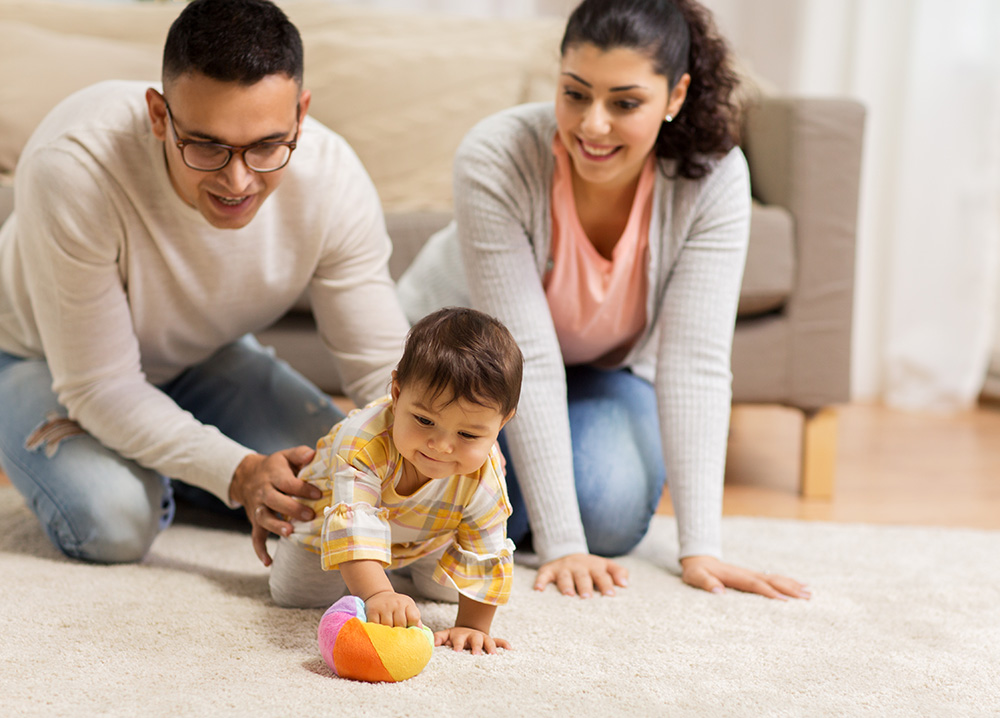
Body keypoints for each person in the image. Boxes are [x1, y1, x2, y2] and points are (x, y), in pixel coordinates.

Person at [397, 0, 810, 601]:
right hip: (462, 382)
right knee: (420, 471)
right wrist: (563, 543)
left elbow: (694, 361)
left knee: (610, 510)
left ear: (675, 96)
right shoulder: (496, 155)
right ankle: (455, 512)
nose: (592, 125)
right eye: (575, 93)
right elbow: (528, 354)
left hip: (604, 373)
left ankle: (469, 518)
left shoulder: (715, 177)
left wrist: (703, 550)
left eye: (625, 102)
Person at [0, 0, 410, 567]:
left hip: (202, 361)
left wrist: (427, 448)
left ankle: (169, 459)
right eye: (207, 146)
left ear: (301, 114)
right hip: (38, 359)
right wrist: (238, 473)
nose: (237, 180)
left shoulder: (333, 180)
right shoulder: (73, 165)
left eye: (267, 145)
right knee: (113, 519)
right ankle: (164, 475)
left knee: (343, 483)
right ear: (159, 115)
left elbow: (377, 366)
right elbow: (99, 385)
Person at [269, 307, 522, 655]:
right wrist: (378, 593)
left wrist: (472, 626)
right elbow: (352, 527)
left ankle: (395, 566)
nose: (442, 446)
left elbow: (486, 549)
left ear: (501, 423)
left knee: (450, 590)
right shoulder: (363, 441)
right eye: (424, 420)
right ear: (397, 392)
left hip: (425, 536)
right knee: (295, 595)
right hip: (325, 525)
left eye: (467, 434)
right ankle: (377, 574)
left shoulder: (486, 471)